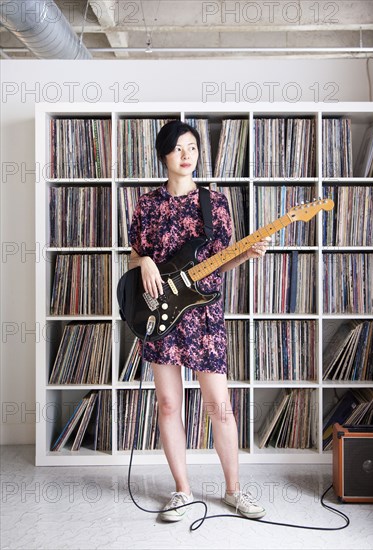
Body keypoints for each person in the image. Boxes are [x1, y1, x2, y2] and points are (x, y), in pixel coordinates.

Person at [128, 120, 269, 522]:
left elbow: (223, 260)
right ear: (164, 156)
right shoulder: (147, 205)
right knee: (169, 403)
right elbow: (134, 256)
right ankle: (182, 491)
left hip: (204, 313)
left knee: (219, 405)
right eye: (178, 149)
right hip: (161, 311)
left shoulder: (215, 203)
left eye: (192, 147)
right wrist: (147, 261)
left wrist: (248, 253)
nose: (187, 155)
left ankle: (234, 491)